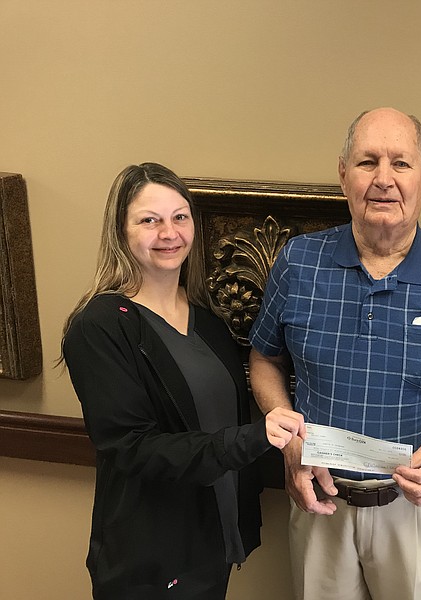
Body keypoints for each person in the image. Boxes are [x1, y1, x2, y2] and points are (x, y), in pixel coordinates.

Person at [248, 107, 421, 599]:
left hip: (418, 507)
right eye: (367, 162)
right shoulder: (297, 262)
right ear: (343, 175)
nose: (384, 179)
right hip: (319, 498)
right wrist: (286, 432)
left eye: (401, 163)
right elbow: (264, 358)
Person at [60, 162, 306, 599]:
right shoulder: (99, 326)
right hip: (151, 551)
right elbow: (131, 446)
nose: (168, 232)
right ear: (121, 231)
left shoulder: (208, 321)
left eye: (179, 217)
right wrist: (252, 438)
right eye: (149, 220)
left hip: (213, 536)